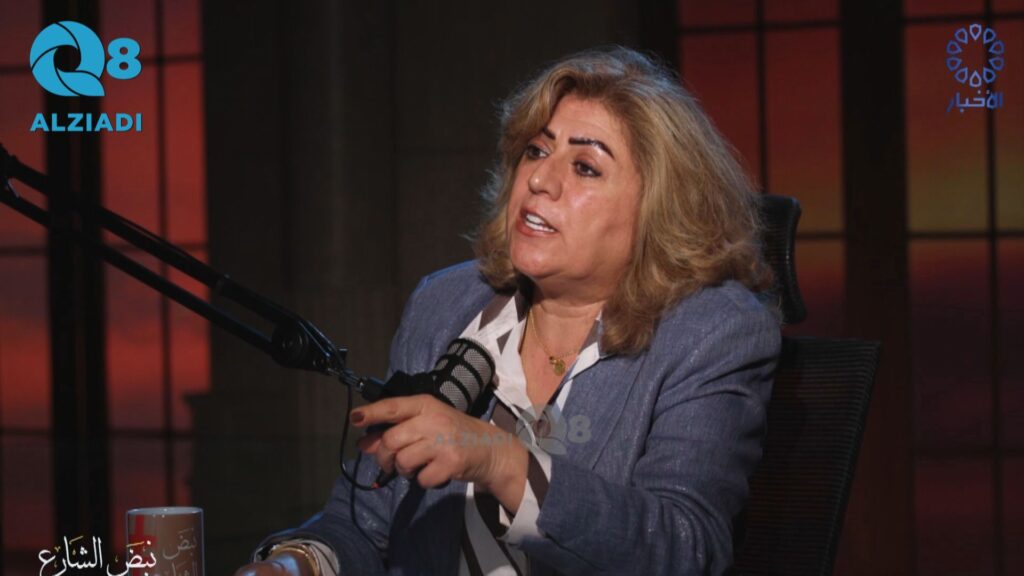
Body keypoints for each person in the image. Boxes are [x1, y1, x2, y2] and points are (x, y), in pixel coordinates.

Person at [235, 46, 781, 576]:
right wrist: (297, 564)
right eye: (537, 151)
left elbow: (684, 547)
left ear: (659, 208)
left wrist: (501, 461)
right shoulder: (445, 305)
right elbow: (367, 521)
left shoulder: (710, 332)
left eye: (585, 167)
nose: (540, 179)